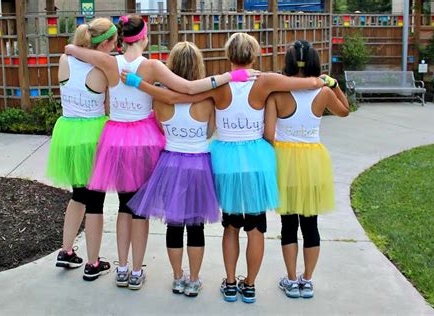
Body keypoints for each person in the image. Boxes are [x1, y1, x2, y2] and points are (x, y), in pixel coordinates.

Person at [123, 32, 327, 303]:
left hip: (225, 161)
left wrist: (140, 84)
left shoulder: (217, 86)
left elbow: (181, 95)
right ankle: (250, 285)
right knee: (256, 226)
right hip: (256, 160)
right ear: (254, 55)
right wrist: (321, 80)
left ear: (228, 56)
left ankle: (230, 283)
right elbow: (297, 83)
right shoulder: (264, 81)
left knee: (230, 225)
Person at [64, 15, 252, 290]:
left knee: (123, 207)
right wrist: (230, 76)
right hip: (141, 140)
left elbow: (75, 49)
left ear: (121, 38)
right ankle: (137, 271)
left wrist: (70, 49)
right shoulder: (151, 66)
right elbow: (186, 89)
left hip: (114, 138)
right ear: (143, 38)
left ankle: (123, 267)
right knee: (137, 208)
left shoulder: (109, 62)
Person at [127, 42, 219, 298]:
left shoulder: (160, 98)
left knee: (174, 225)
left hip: (169, 164)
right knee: (196, 226)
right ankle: (194, 279)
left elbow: (158, 127)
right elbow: (211, 131)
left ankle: (178, 278)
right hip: (199, 163)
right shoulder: (208, 99)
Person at [264, 40, 349, 299]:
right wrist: (333, 84)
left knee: (288, 224)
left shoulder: (277, 94)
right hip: (313, 163)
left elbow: (268, 135)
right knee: (310, 224)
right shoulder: (322, 92)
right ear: (313, 62)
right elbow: (345, 111)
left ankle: (291, 280)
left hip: (285, 162)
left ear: (288, 63)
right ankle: (307, 280)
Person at [46, 18, 117, 281]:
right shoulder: (104, 68)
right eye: (113, 42)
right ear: (106, 43)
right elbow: (108, 108)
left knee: (77, 195)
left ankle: (66, 251)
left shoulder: (65, 60)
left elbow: (69, 50)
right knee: (96, 201)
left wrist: (74, 48)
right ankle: (93, 262)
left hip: (67, 131)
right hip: (94, 134)